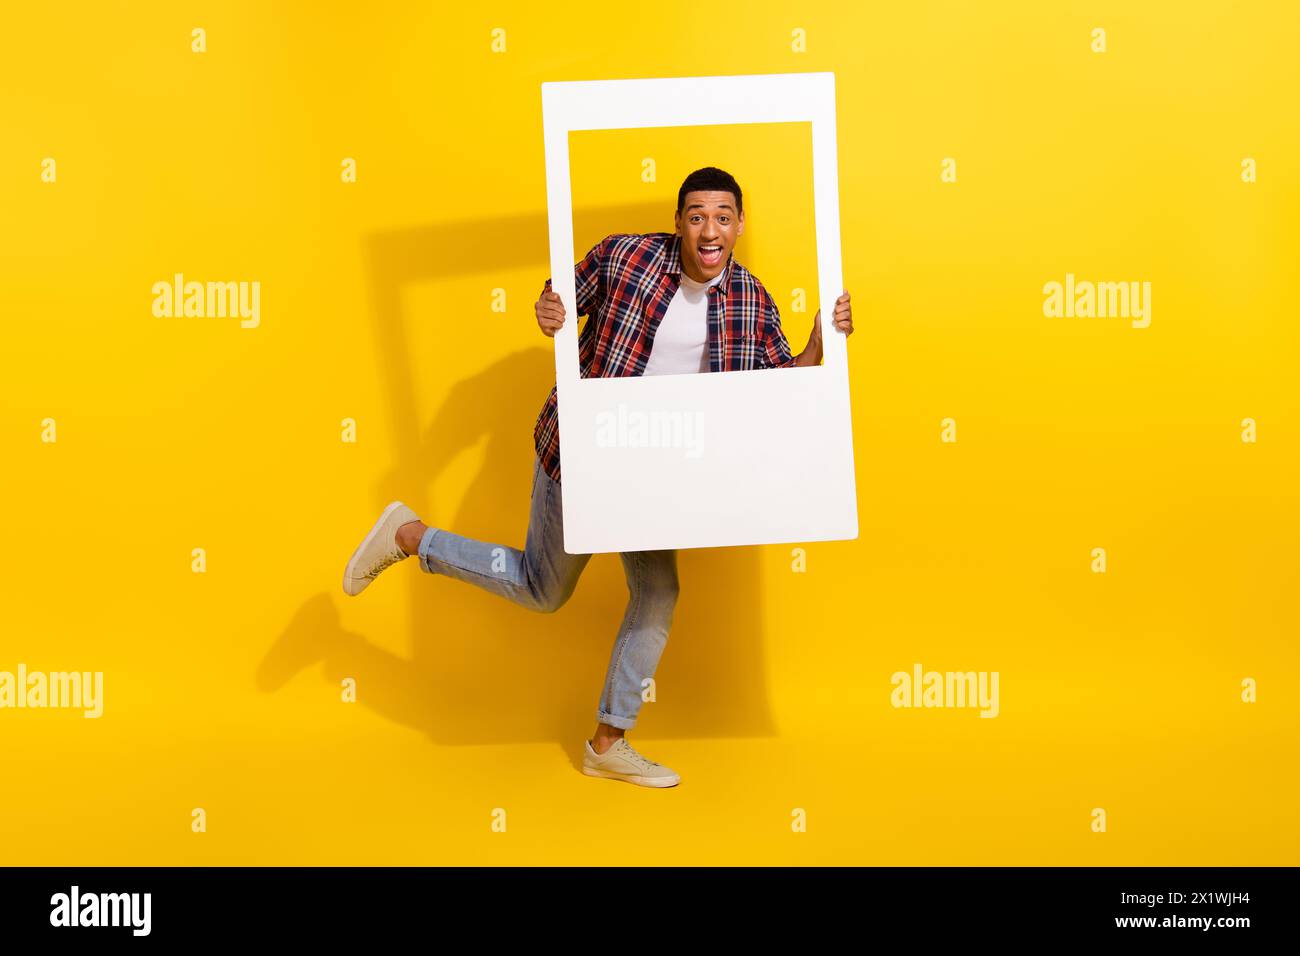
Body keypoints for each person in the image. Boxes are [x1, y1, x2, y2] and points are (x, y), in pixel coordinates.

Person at [343, 167, 853, 787]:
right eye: (696, 216)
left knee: (660, 592)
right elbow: (559, 301)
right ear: (678, 222)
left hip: (650, 478)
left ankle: (607, 741)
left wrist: (822, 340)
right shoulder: (626, 256)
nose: (709, 231)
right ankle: (411, 537)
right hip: (582, 453)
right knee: (543, 589)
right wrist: (547, 309)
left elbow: (783, 383)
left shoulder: (750, 297)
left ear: (739, 225)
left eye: (723, 217)